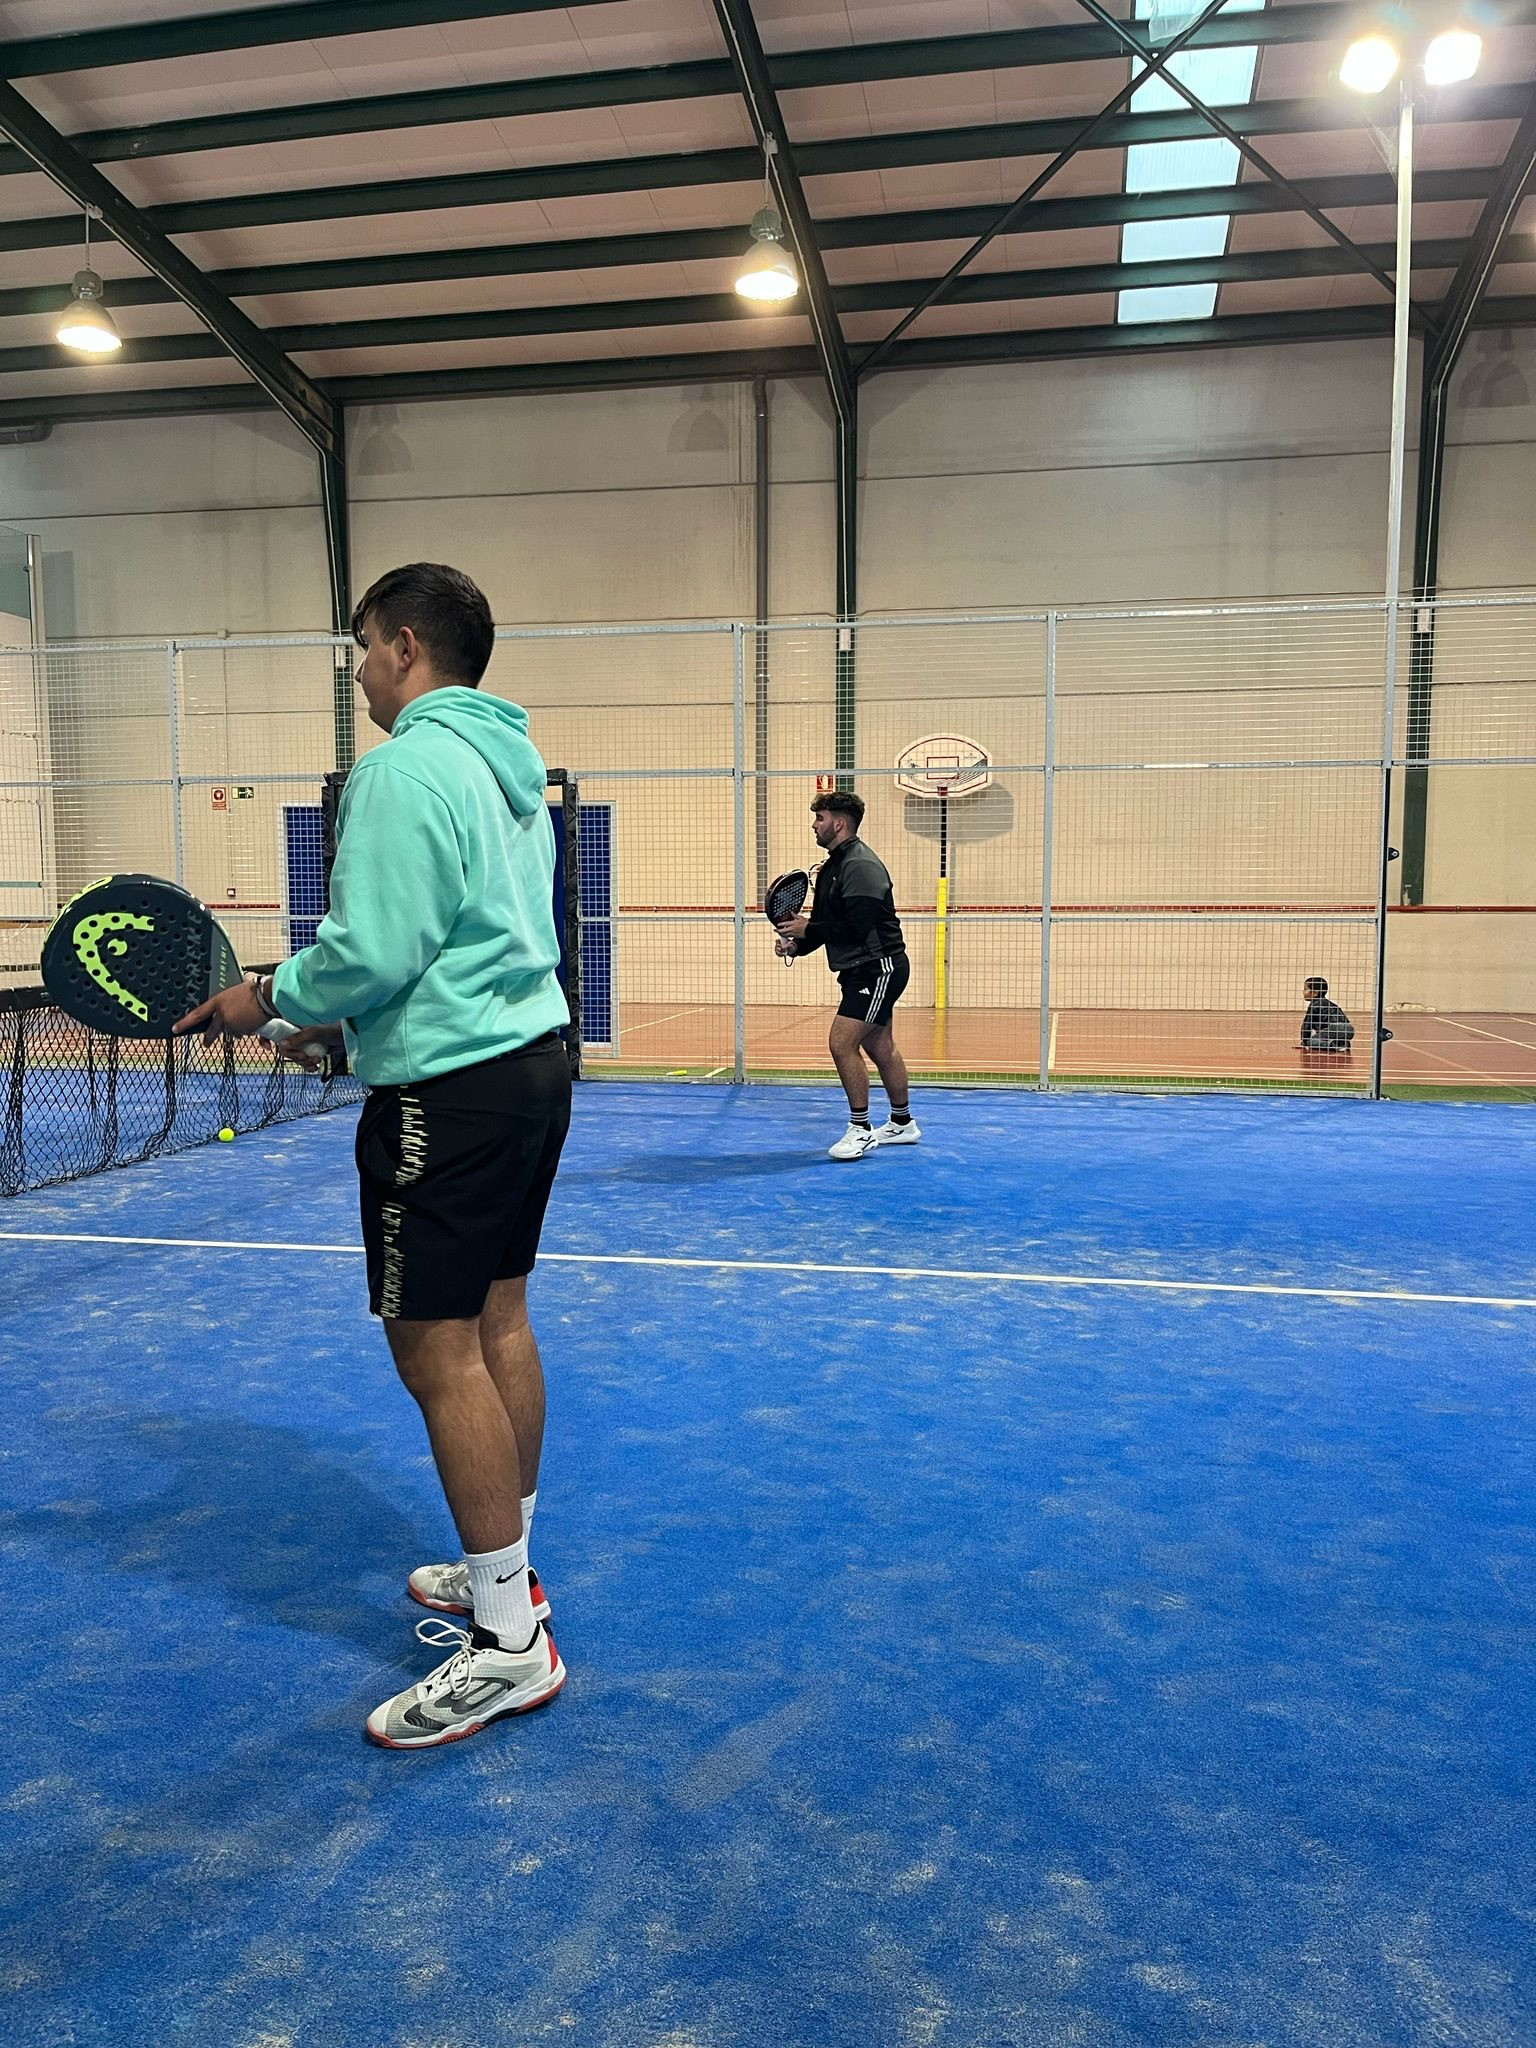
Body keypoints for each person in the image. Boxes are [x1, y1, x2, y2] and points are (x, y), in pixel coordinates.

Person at [176, 562, 572, 1750]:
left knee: (435, 1351)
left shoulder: (403, 769)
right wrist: (346, 1029)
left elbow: (372, 947)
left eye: (361, 647)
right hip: (531, 1068)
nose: (356, 672)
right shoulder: (508, 763)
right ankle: (509, 1566)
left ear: (405, 645)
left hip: (446, 1098)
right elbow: (464, 939)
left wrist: (268, 997)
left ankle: (508, 1642)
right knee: (500, 1318)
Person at [774, 789, 918, 1160]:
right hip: (860, 968)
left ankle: (860, 1129)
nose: (814, 825)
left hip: (879, 967)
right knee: (879, 1046)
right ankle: (902, 1123)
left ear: (839, 824)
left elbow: (857, 926)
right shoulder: (831, 868)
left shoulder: (860, 865)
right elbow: (825, 926)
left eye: (819, 819)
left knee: (841, 1043)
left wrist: (808, 929)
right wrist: (798, 945)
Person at [1298, 975, 1355, 1055]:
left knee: (1311, 1041)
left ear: (1314, 993)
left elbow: (1307, 1024)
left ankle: (1334, 1045)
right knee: (1322, 1037)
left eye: (1305, 989)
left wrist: (1304, 1041)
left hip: (1335, 1028)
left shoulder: (1314, 1004)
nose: (1303, 992)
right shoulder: (1329, 1003)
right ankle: (1342, 1043)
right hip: (1349, 1029)